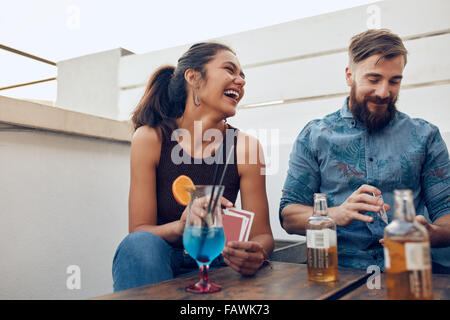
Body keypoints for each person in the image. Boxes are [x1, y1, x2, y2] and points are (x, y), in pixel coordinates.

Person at [279, 29, 450, 272]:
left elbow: (447, 213)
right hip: (336, 273)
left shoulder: (426, 136)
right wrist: (335, 214)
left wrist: (432, 233)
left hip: (410, 270)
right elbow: (289, 216)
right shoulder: (314, 135)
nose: (384, 92)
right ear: (349, 76)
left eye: (394, 81)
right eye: (373, 79)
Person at [112, 42, 274, 292]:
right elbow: (139, 231)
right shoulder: (150, 138)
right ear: (193, 78)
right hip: (165, 261)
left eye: (242, 75)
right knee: (138, 244)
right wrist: (183, 226)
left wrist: (256, 252)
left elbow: (262, 235)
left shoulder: (247, 148)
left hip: (221, 263)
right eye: (230, 70)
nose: (240, 81)